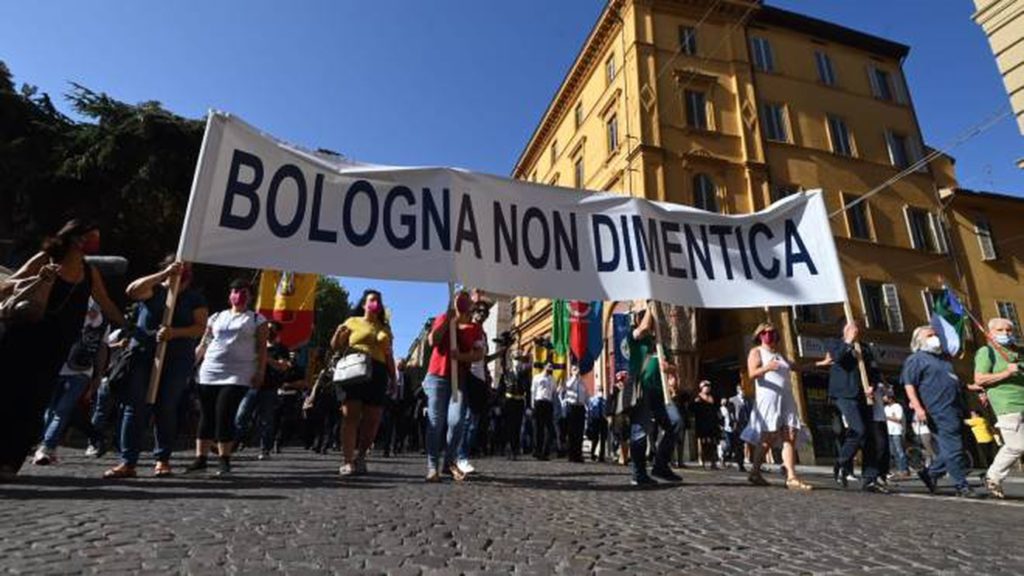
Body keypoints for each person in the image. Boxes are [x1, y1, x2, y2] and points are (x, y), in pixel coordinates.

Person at [0, 219, 124, 479]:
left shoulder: (89, 272)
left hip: (56, 347)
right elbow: (8, 285)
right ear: (76, 238)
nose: (95, 243)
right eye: (92, 236)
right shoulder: (46, 258)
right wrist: (40, 277)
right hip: (22, 338)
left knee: (34, 403)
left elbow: (106, 302)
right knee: (8, 396)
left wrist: (128, 325)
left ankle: (10, 462)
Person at [104, 257, 208, 478]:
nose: (184, 272)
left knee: (166, 408)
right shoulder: (154, 291)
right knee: (135, 408)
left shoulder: (194, 298)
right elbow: (132, 290)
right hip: (143, 355)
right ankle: (128, 461)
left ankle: (162, 459)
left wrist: (175, 333)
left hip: (177, 359)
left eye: (188, 268)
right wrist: (164, 276)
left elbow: (200, 328)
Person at [186, 279, 268, 477]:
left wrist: (260, 372)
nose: (239, 295)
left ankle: (224, 460)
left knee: (225, 413)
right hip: (210, 371)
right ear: (229, 294)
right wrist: (192, 363)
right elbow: (205, 342)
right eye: (235, 291)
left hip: (238, 373)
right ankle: (201, 458)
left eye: (244, 292)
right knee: (207, 415)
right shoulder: (216, 317)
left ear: (250, 296)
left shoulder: (257, 320)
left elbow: (262, 349)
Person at [902, 325, 977, 498]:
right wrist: (918, 407)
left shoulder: (943, 359)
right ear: (919, 340)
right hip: (937, 409)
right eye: (930, 335)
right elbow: (909, 385)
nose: (934, 337)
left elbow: (953, 381)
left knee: (952, 447)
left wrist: (969, 387)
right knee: (954, 447)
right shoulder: (916, 359)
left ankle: (932, 473)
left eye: (935, 334)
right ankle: (961, 485)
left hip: (955, 408)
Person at [740, 322, 815, 490]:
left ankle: (791, 477)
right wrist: (767, 367)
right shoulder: (756, 351)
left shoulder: (779, 355)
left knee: (790, 433)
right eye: (768, 332)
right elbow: (751, 373)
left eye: (774, 332)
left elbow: (797, 367)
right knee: (768, 437)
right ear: (760, 335)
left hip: (786, 397)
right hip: (769, 397)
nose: (772, 335)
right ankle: (755, 472)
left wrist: (820, 363)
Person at [33, 299, 109, 465]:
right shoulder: (102, 320)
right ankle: (46, 447)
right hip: (81, 369)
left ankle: (46, 447)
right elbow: (101, 349)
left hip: (62, 368)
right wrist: (98, 375)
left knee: (55, 410)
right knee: (59, 411)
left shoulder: (69, 309)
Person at [330, 289, 395, 477]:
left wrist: (394, 377)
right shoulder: (352, 322)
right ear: (364, 304)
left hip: (378, 371)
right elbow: (336, 345)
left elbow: (389, 355)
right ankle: (348, 461)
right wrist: (337, 333)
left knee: (373, 419)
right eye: (372, 300)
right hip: (355, 368)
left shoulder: (385, 328)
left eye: (379, 300)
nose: (376, 303)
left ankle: (361, 456)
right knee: (350, 416)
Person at [422, 290, 483, 482]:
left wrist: (462, 357)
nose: (462, 302)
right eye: (459, 299)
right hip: (437, 376)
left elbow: (478, 354)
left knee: (457, 422)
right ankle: (433, 466)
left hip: (459, 379)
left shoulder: (475, 328)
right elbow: (433, 341)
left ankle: (449, 461)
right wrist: (448, 321)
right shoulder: (443, 318)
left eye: (466, 300)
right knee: (436, 421)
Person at [624, 302, 682, 486]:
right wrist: (652, 305)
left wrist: (669, 367)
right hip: (641, 390)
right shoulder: (634, 338)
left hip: (660, 393)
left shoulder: (660, 345)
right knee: (640, 431)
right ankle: (638, 473)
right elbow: (642, 329)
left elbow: (675, 367)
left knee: (675, 423)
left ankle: (661, 466)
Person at [826, 321, 888, 493]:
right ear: (845, 329)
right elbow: (838, 358)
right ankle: (842, 461)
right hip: (844, 394)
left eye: (858, 328)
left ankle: (870, 478)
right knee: (858, 429)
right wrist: (848, 341)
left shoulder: (866, 349)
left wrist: (872, 387)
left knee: (870, 437)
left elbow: (874, 372)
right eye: (852, 327)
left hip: (863, 395)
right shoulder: (835, 343)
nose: (856, 330)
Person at [973, 317, 1024, 499]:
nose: (1005, 334)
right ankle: (992, 476)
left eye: (1009, 330)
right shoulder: (987, 352)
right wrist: (1007, 372)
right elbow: (979, 379)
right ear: (991, 333)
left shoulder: (1017, 352)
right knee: (1017, 445)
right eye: (1000, 330)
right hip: (1007, 404)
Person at [235, 321, 291, 460]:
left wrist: (267, 358)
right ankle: (233, 444)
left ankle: (265, 449)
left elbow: (283, 367)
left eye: (271, 329)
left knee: (266, 420)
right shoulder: (254, 346)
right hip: (250, 386)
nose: (268, 331)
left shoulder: (281, 349)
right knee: (241, 416)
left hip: (269, 388)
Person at [503, 354, 530, 460]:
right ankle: (508, 447)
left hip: (519, 402)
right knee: (509, 426)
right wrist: (499, 404)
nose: (517, 361)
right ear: (512, 361)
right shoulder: (507, 374)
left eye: (519, 360)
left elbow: (527, 391)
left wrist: (528, 406)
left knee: (518, 427)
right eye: (515, 359)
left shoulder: (524, 374)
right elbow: (502, 389)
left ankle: (515, 450)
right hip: (509, 402)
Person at [562, 365, 588, 463]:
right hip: (571, 407)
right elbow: (568, 388)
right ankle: (571, 455)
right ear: (571, 371)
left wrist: (588, 407)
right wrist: (574, 377)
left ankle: (578, 454)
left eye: (578, 369)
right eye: (574, 369)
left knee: (579, 433)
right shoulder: (569, 381)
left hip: (580, 408)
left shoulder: (582, 383)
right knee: (571, 432)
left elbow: (586, 396)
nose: (577, 371)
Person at [531, 362, 557, 461]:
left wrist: (554, 406)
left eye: (552, 367)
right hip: (539, 402)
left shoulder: (552, 379)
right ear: (545, 366)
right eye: (549, 366)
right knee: (538, 429)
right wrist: (532, 405)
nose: (551, 368)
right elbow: (533, 391)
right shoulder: (537, 377)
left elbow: (554, 393)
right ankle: (537, 451)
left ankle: (545, 452)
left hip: (548, 403)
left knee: (549, 430)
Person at [692, 381, 718, 469]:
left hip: (712, 423)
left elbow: (716, 409)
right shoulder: (697, 397)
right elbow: (693, 410)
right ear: (701, 387)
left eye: (709, 386)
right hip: (701, 423)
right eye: (705, 386)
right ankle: (701, 461)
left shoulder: (712, 397)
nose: (707, 387)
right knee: (701, 442)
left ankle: (713, 462)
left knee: (712, 442)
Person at [884, 394, 910, 479]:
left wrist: (887, 417)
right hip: (889, 431)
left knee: (900, 451)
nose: (884, 399)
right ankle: (898, 469)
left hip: (896, 431)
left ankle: (904, 469)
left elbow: (898, 419)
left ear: (891, 398)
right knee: (893, 452)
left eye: (886, 397)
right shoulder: (885, 408)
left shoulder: (897, 406)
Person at [587, 381, 608, 462]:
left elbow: (606, 411)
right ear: (596, 391)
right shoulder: (592, 400)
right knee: (595, 438)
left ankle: (601, 456)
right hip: (595, 420)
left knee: (603, 439)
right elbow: (589, 411)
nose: (600, 391)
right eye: (599, 390)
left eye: (601, 390)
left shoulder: (604, 401)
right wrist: (589, 421)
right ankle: (592, 454)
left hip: (603, 420)